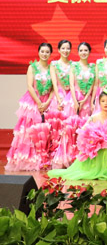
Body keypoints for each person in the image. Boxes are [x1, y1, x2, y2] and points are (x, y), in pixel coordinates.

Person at [6, 43, 57, 171]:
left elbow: (54, 88)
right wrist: (39, 103)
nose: (44, 54)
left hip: (48, 101)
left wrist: (47, 102)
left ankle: (44, 159)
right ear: (38, 52)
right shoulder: (32, 67)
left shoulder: (52, 68)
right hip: (34, 101)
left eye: (47, 52)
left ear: (50, 54)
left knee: (47, 132)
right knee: (29, 131)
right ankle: (30, 159)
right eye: (42, 51)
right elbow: (30, 86)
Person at [70, 42, 96, 117]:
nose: (83, 53)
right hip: (74, 97)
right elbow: (71, 85)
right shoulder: (74, 65)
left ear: (89, 52)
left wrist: (85, 99)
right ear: (78, 52)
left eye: (85, 50)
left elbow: (92, 85)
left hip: (87, 99)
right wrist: (75, 102)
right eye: (81, 50)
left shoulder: (92, 67)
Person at [50, 39, 74, 114]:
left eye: (68, 48)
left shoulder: (73, 64)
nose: (65, 51)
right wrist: (59, 99)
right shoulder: (54, 64)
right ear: (59, 50)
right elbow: (54, 84)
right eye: (63, 48)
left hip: (70, 95)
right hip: (58, 94)